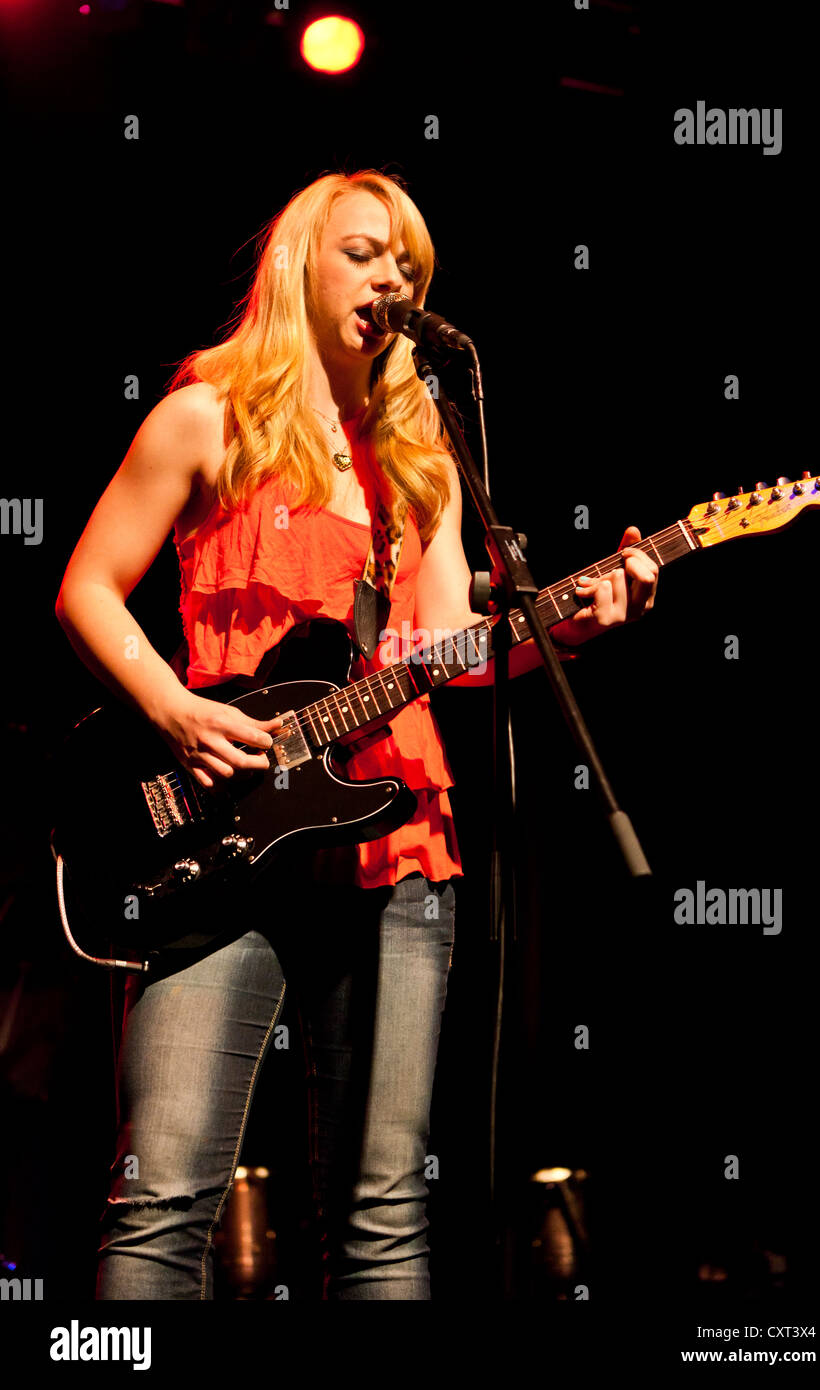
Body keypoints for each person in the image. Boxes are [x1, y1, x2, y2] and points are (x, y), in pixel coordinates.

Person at [54, 168, 659, 1300]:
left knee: (385, 1214)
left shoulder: (416, 441)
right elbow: (86, 586)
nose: (391, 278)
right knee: (162, 1197)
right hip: (219, 840)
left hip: (392, 846)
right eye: (365, 252)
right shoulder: (206, 411)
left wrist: (564, 631)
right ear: (297, 263)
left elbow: (443, 650)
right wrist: (173, 706)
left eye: (407, 266)